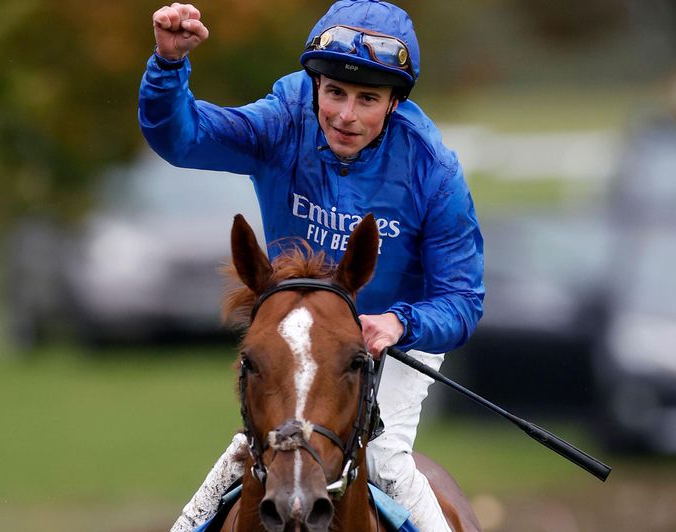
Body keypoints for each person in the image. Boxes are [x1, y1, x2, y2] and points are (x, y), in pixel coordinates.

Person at [139, 1, 484, 530]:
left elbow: (462, 300)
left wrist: (400, 323)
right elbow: (181, 138)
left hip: (388, 340)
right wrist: (168, 65)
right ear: (315, 86)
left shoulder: (432, 170)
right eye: (335, 93)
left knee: (387, 460)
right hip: (297, 337)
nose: (346, 115)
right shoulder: (282, 120)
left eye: (367, 99)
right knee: (251, 451)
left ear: (394, 103)